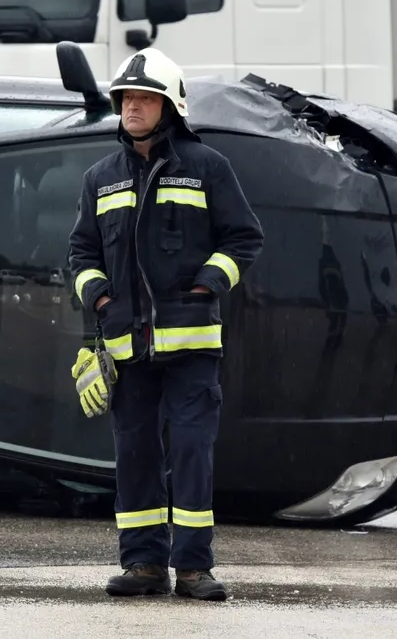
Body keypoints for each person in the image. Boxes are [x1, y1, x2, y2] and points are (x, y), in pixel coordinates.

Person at [67, 47, 264, 601]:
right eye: (126, 97)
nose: (132, 106)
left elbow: (244, 237)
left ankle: (194, 568)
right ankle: (143, 565)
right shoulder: (99, 178)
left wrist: (209, 283)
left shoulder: (207, 167)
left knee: (191, 452)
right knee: (134, 455)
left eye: (144, 98)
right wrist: (100, 299)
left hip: (193, 348)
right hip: (126, 350)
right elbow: (80, 253)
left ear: (169, 106)